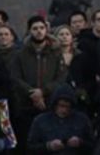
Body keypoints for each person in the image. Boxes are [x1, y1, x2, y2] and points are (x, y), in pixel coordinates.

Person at [9, 15, 65, 151]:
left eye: (41, 28)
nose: (39, 31)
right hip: (25, 106)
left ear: (46, 30)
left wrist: (43, 92)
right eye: (35, 28)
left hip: (49, 104)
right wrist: (32, 93)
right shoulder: (20, 54)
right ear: (29, 31)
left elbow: (61, 77)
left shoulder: (55, 53)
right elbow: (15, 78)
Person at [26, 85, 94, 154]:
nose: (64, 110)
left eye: (68, 107)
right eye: (61, 105)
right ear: (55, 104)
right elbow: (30, 147)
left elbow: (92, 145)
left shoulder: (82, 120)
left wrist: (80, 142)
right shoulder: (40, 121)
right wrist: (48, 146)